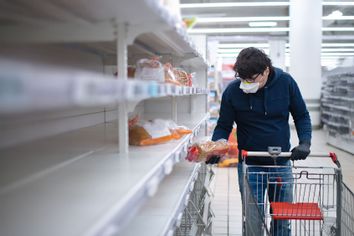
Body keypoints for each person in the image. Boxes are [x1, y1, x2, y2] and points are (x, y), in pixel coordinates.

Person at [208, 47, 312, 236]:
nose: (246, 83)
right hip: (250, 166)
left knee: (282, 220)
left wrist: (305, 142)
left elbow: (302, 115)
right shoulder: (233, 91)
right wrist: (217, 146)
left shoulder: (286, 83)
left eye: (251, 79)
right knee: (253, 223)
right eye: (243, 78)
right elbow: (223, 125)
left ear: (266, 71)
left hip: (281, 164)